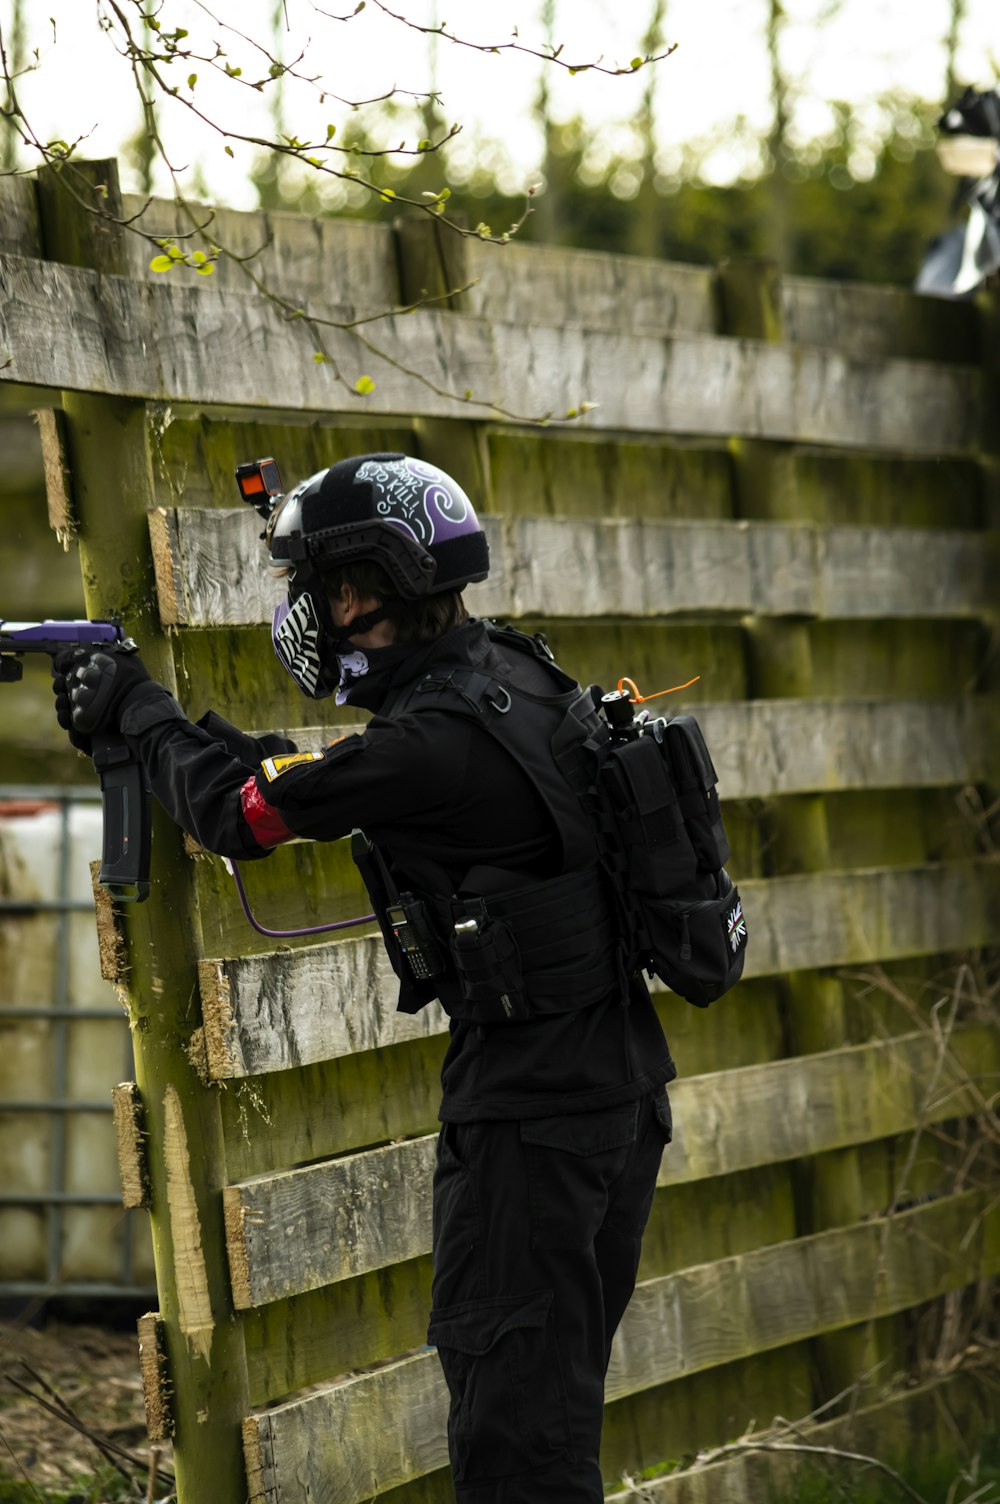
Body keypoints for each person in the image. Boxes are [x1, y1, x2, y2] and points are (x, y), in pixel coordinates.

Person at [53, 452, 676, 1504]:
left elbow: (238, 816)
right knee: (547, 1407)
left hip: (532, 1121)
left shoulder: (427, 741)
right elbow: (313, 782)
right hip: (616, 1095)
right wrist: (178, 730)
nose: (305, 610)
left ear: (358, 591)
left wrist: (136, 713)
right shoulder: (513, 678)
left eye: (311, 585)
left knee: (515, 1446)